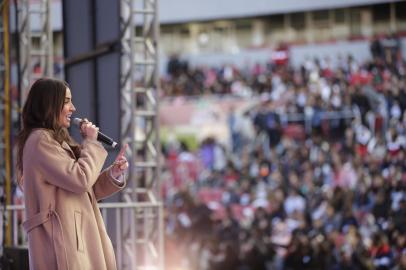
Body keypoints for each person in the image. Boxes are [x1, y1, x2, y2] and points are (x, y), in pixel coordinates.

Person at [16, 78, 129, 270]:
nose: (73, 108)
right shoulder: (40, 141)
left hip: (76, 238)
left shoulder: (54, 141)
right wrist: (92, 142)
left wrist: (113, 174)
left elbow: (84, 188)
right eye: (67, 101)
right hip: (64, 244)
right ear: (49, 104)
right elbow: (80, 180)